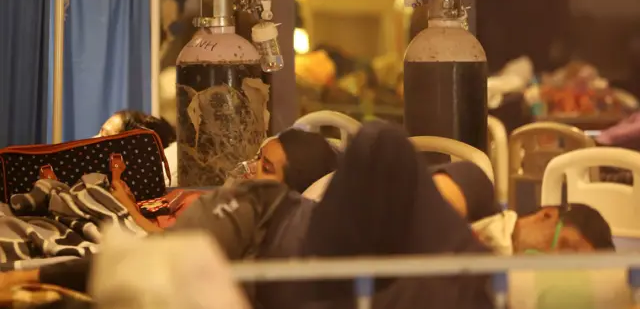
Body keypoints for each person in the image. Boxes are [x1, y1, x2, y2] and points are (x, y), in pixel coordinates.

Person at [0, 123, 614, 309]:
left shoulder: (489, 271)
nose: (551, 260)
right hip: (286, 238)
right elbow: (407, 194)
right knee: (383, 149)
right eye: (563, 246)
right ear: (547, 213)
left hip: (337, 268)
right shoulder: (481, 192)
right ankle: (39, 280)